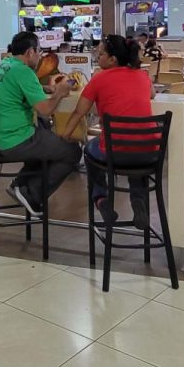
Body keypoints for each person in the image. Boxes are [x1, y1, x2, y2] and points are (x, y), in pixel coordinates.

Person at [58, 35, 154, 228]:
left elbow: (80, 111)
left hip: (115, 152)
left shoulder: (99, 78)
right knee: (135, 148)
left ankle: (101, 198)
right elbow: (151, 94)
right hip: (150, 152)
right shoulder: (142, 75)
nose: (97, 56)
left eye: (100, 54)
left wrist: (66, 134)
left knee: (90, 149)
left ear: (113, 60)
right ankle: (138, 201)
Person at [0, 31, 80, 215]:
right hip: (16, 140)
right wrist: (59, 92)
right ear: (30, 52)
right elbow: (45, 110)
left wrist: (43, 88)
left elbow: (19, 88)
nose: (40, 56)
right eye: (39, 51)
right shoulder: (24, 71)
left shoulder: (6, 65)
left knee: (46, 147)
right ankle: (32, 193)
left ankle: (20, 185)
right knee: (72, 151)